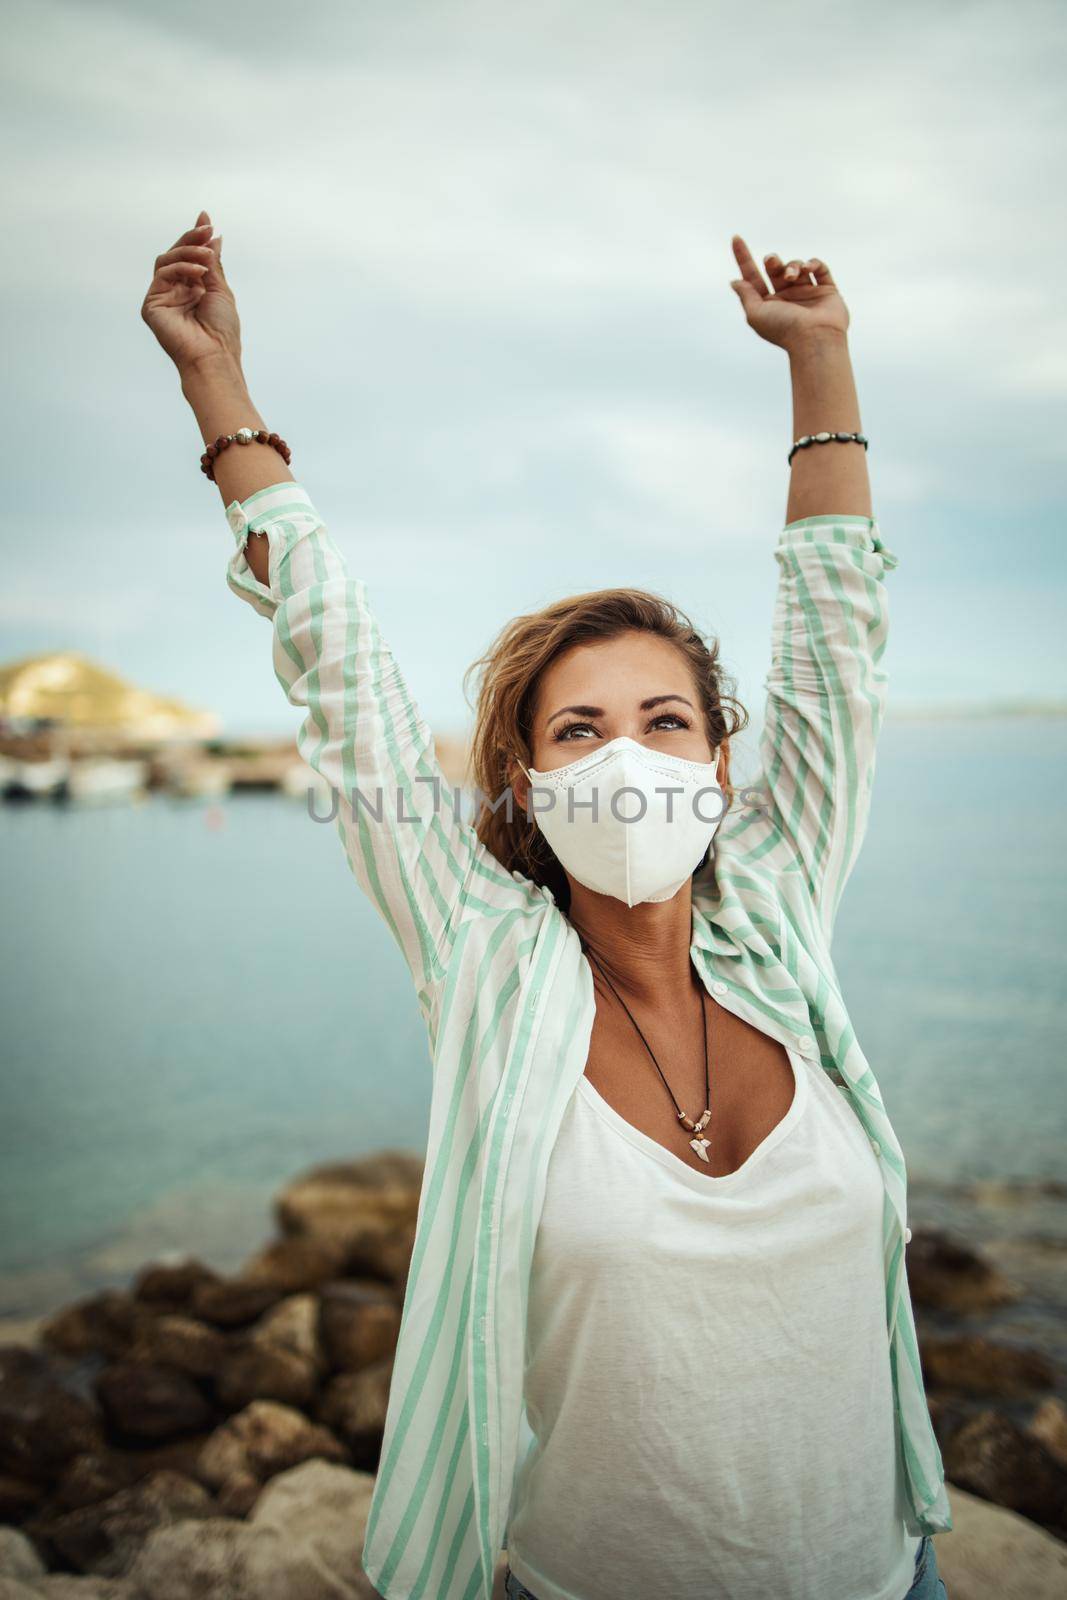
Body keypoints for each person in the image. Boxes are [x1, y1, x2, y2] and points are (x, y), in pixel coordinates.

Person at [141, 214, 952, 1600]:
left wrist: (821, 362)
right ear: (520, 777)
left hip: (890, 1579)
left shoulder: (779, 912)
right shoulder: (484, 960)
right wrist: (220, 394)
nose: (629, 757)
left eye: (664, 720)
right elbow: (346, 683)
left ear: (722, 759)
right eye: (579, 731)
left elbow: (838, 641)